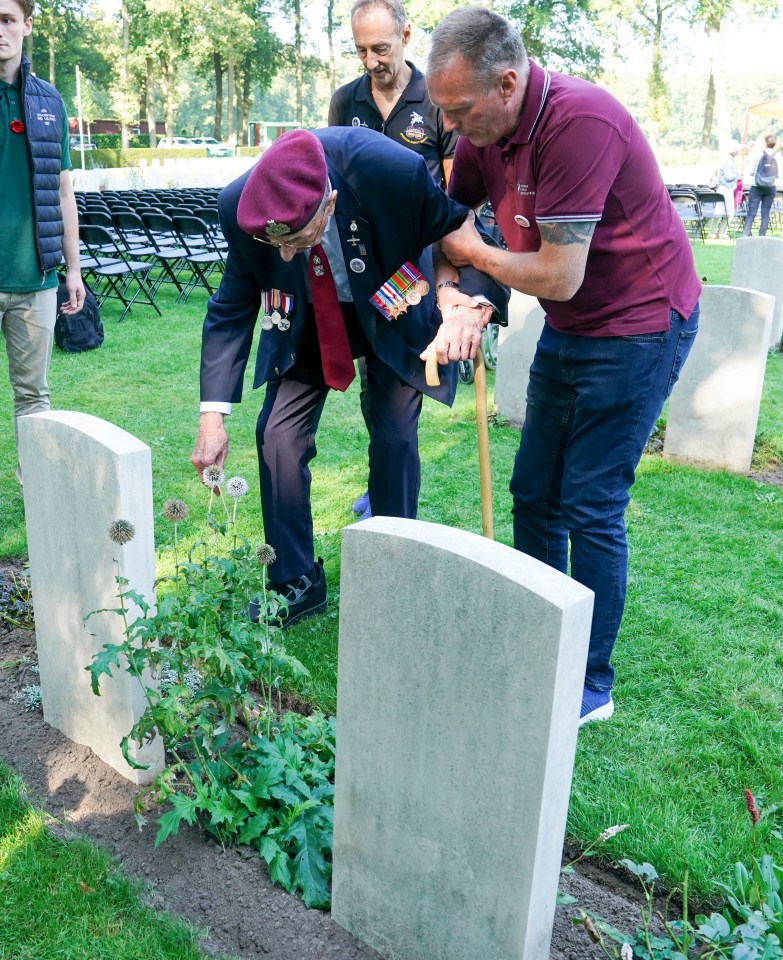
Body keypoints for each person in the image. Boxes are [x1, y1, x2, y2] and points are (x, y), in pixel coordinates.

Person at [424, 5, 701, 725]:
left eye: (457, 111)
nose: (449, 128)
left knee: (590, 501)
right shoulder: (486, 129)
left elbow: (557, 276)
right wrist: (453, 293)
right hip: (574, 328)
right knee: (532, 491)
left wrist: (471, 255)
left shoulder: (581, 122)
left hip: (640, 324)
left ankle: (588, 683)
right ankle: (543, 637)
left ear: (507, 83)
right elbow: (444, 222)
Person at [190, 128, 506, 628]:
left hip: (394, 300)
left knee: (395, 432)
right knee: (276, 435)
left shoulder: (390, 171)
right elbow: (230, 308)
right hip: (310, 319)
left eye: (298, 239)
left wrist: (471, 303)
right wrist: (211, 418)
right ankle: (295, 580)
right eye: (278, 244)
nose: (286, 255)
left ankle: (394, 559)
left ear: (329, 203)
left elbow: (463, 234)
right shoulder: (240, 205)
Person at [329, 0, 458, 520]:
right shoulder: (346, 101)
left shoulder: (437, 102)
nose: (371, 61)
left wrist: (454, 280)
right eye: (361, 50)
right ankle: (382, 484)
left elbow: (457, 196)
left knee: (401, 388)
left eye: (381, 48)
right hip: (362, 272)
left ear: (406, 35)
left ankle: (394, 515)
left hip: (413, 272)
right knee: (374, 383)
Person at [0, 0, 84, 483]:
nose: (1, 30)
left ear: (27, 26)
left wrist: (72, 271)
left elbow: (63, 189)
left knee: (33, 395)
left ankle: (38, 489)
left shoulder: (49, 100)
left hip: (36, 279)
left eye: (8, 19)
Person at [743, 134, 778, 237]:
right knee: (765, 213)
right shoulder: (778, 156)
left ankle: (745, 234)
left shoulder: (757, 154)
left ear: (765, 143)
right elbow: (780, 174)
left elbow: (750, 171)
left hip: (757, 186)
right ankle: (762, 235)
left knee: (751, 213)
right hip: (770, 187)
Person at [711, 139, 741, 235]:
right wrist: (737, 174)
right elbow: (728, 177)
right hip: (726, 188)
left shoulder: (728, 160)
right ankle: (722, 233)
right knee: (729, 212)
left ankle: (714, 232)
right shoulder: (728, 161)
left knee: (720, 211)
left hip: (724, 188)